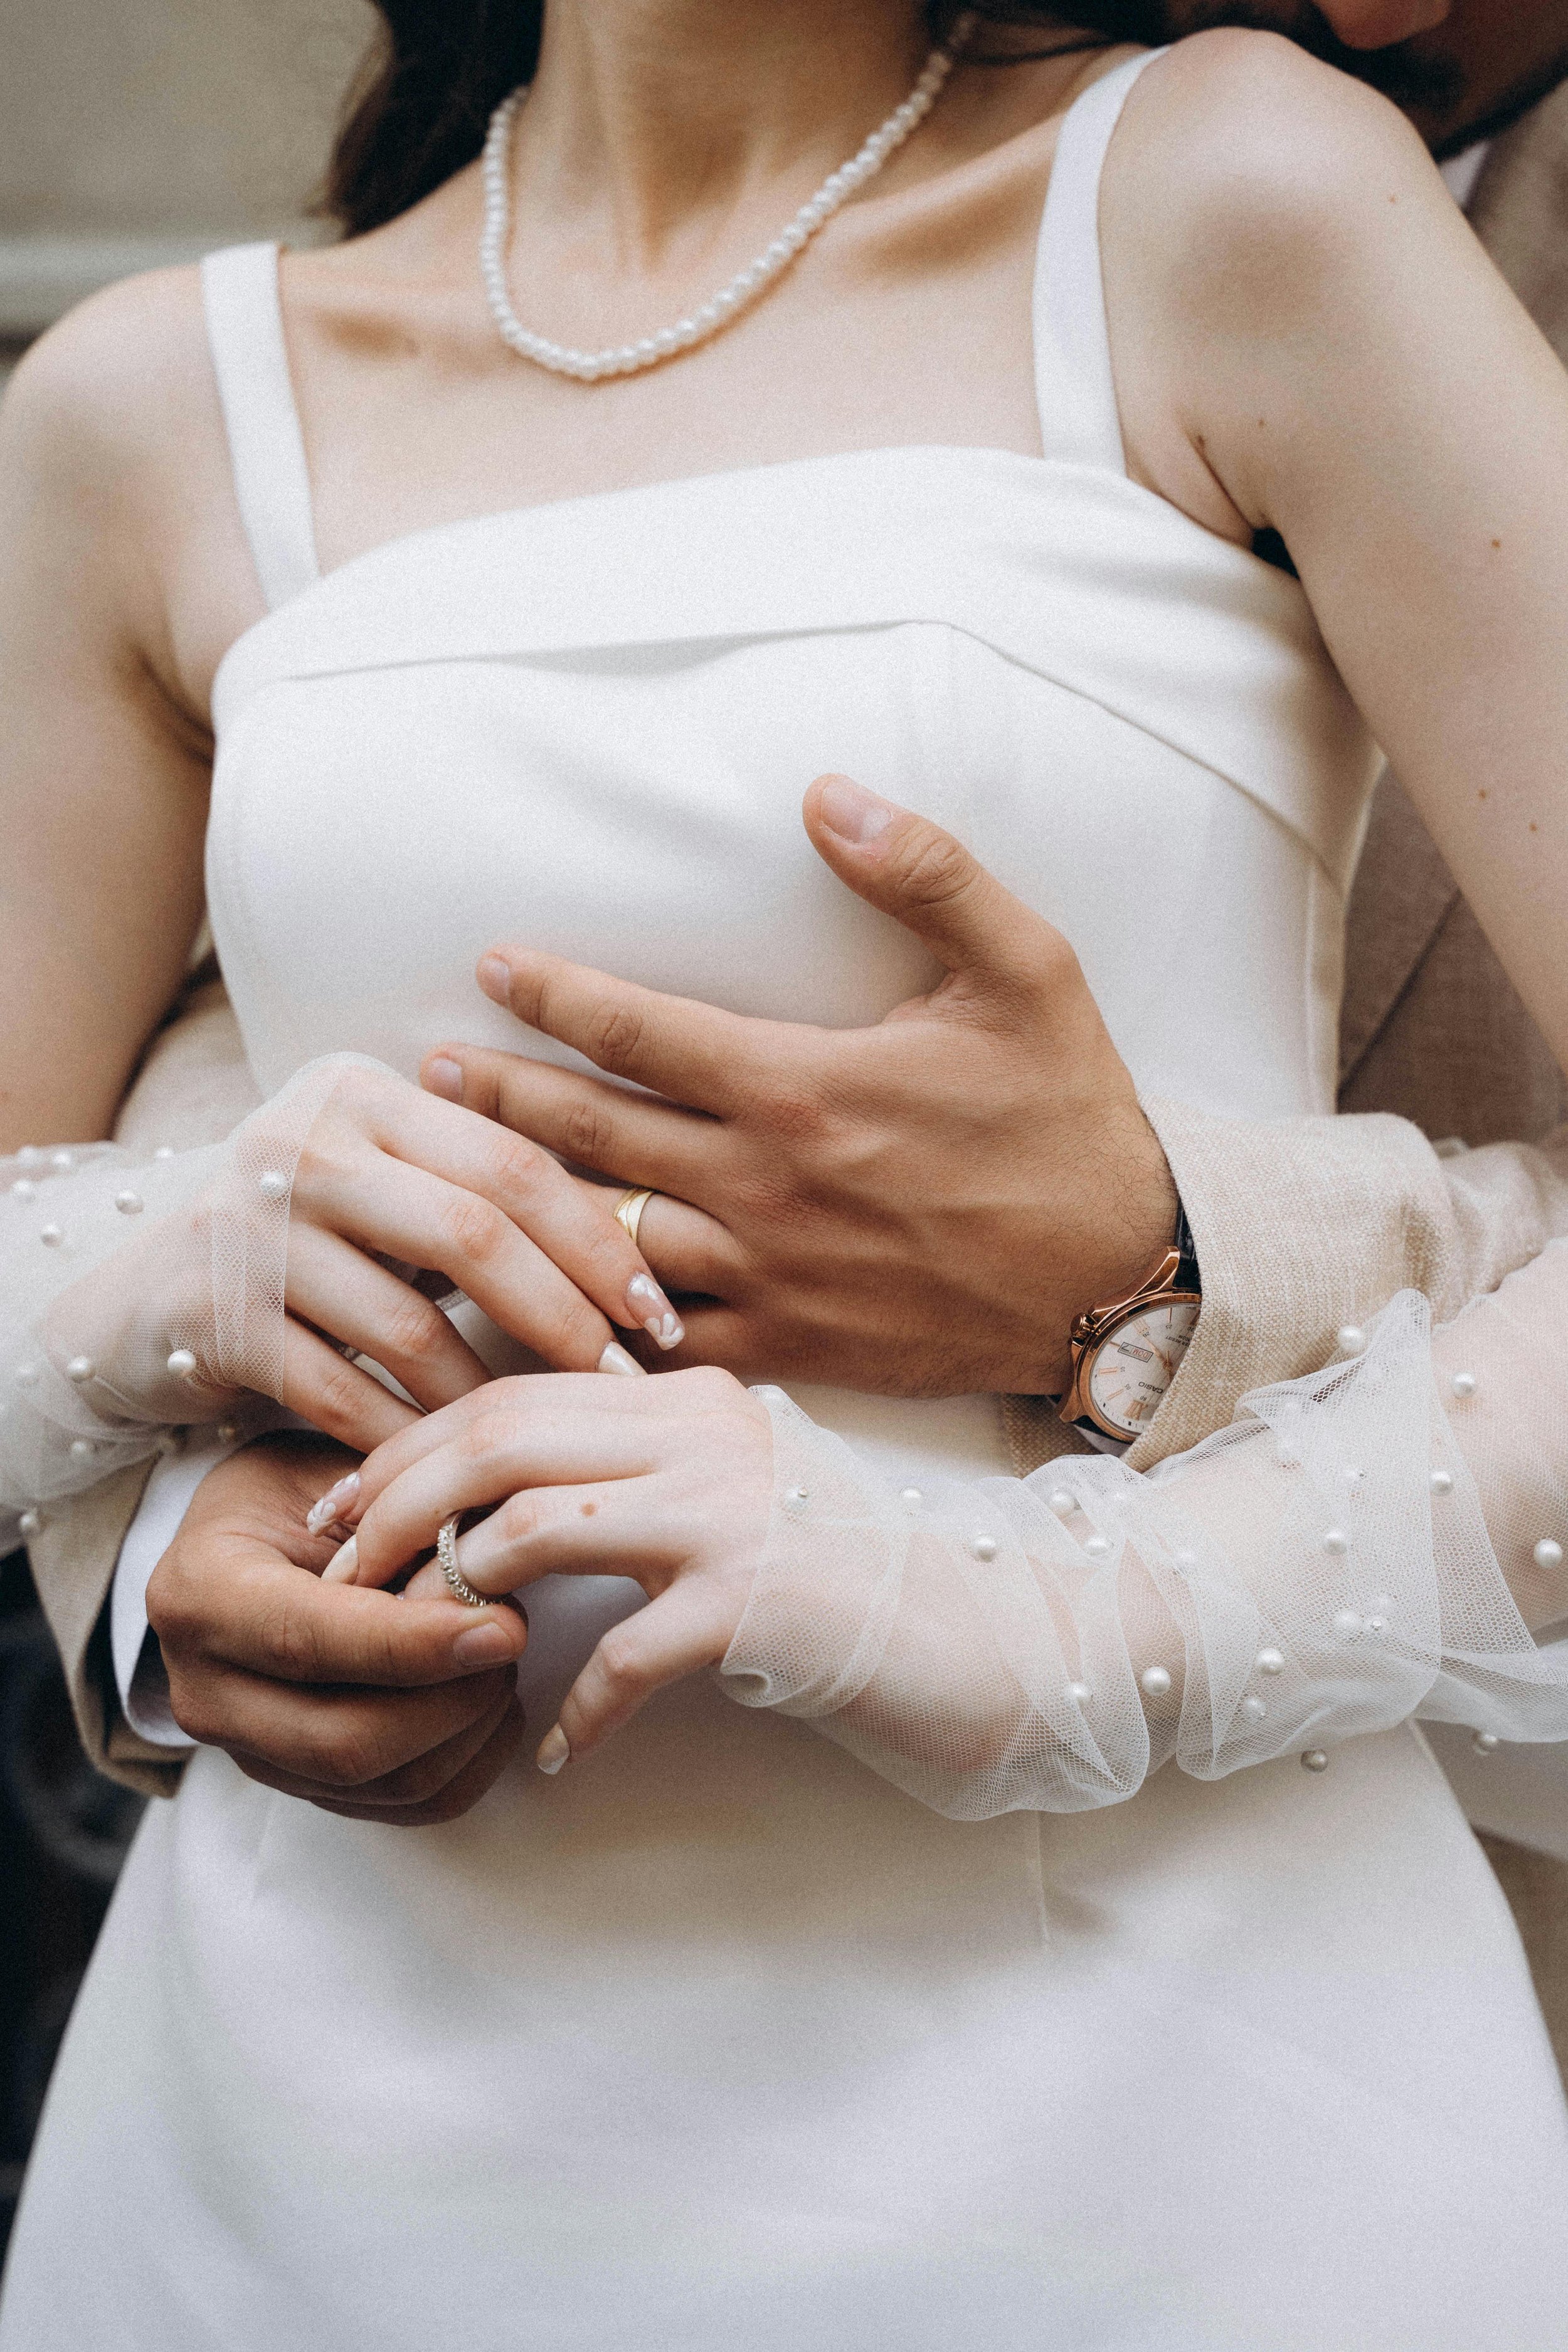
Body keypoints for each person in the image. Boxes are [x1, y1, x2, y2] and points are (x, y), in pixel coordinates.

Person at [3, 2, 1568, 2343]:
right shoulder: (141, 407)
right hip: (315, 2126)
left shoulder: (1237, 197)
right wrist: (163, 1417)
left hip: (1173, 2109)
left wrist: (1047, 1625)